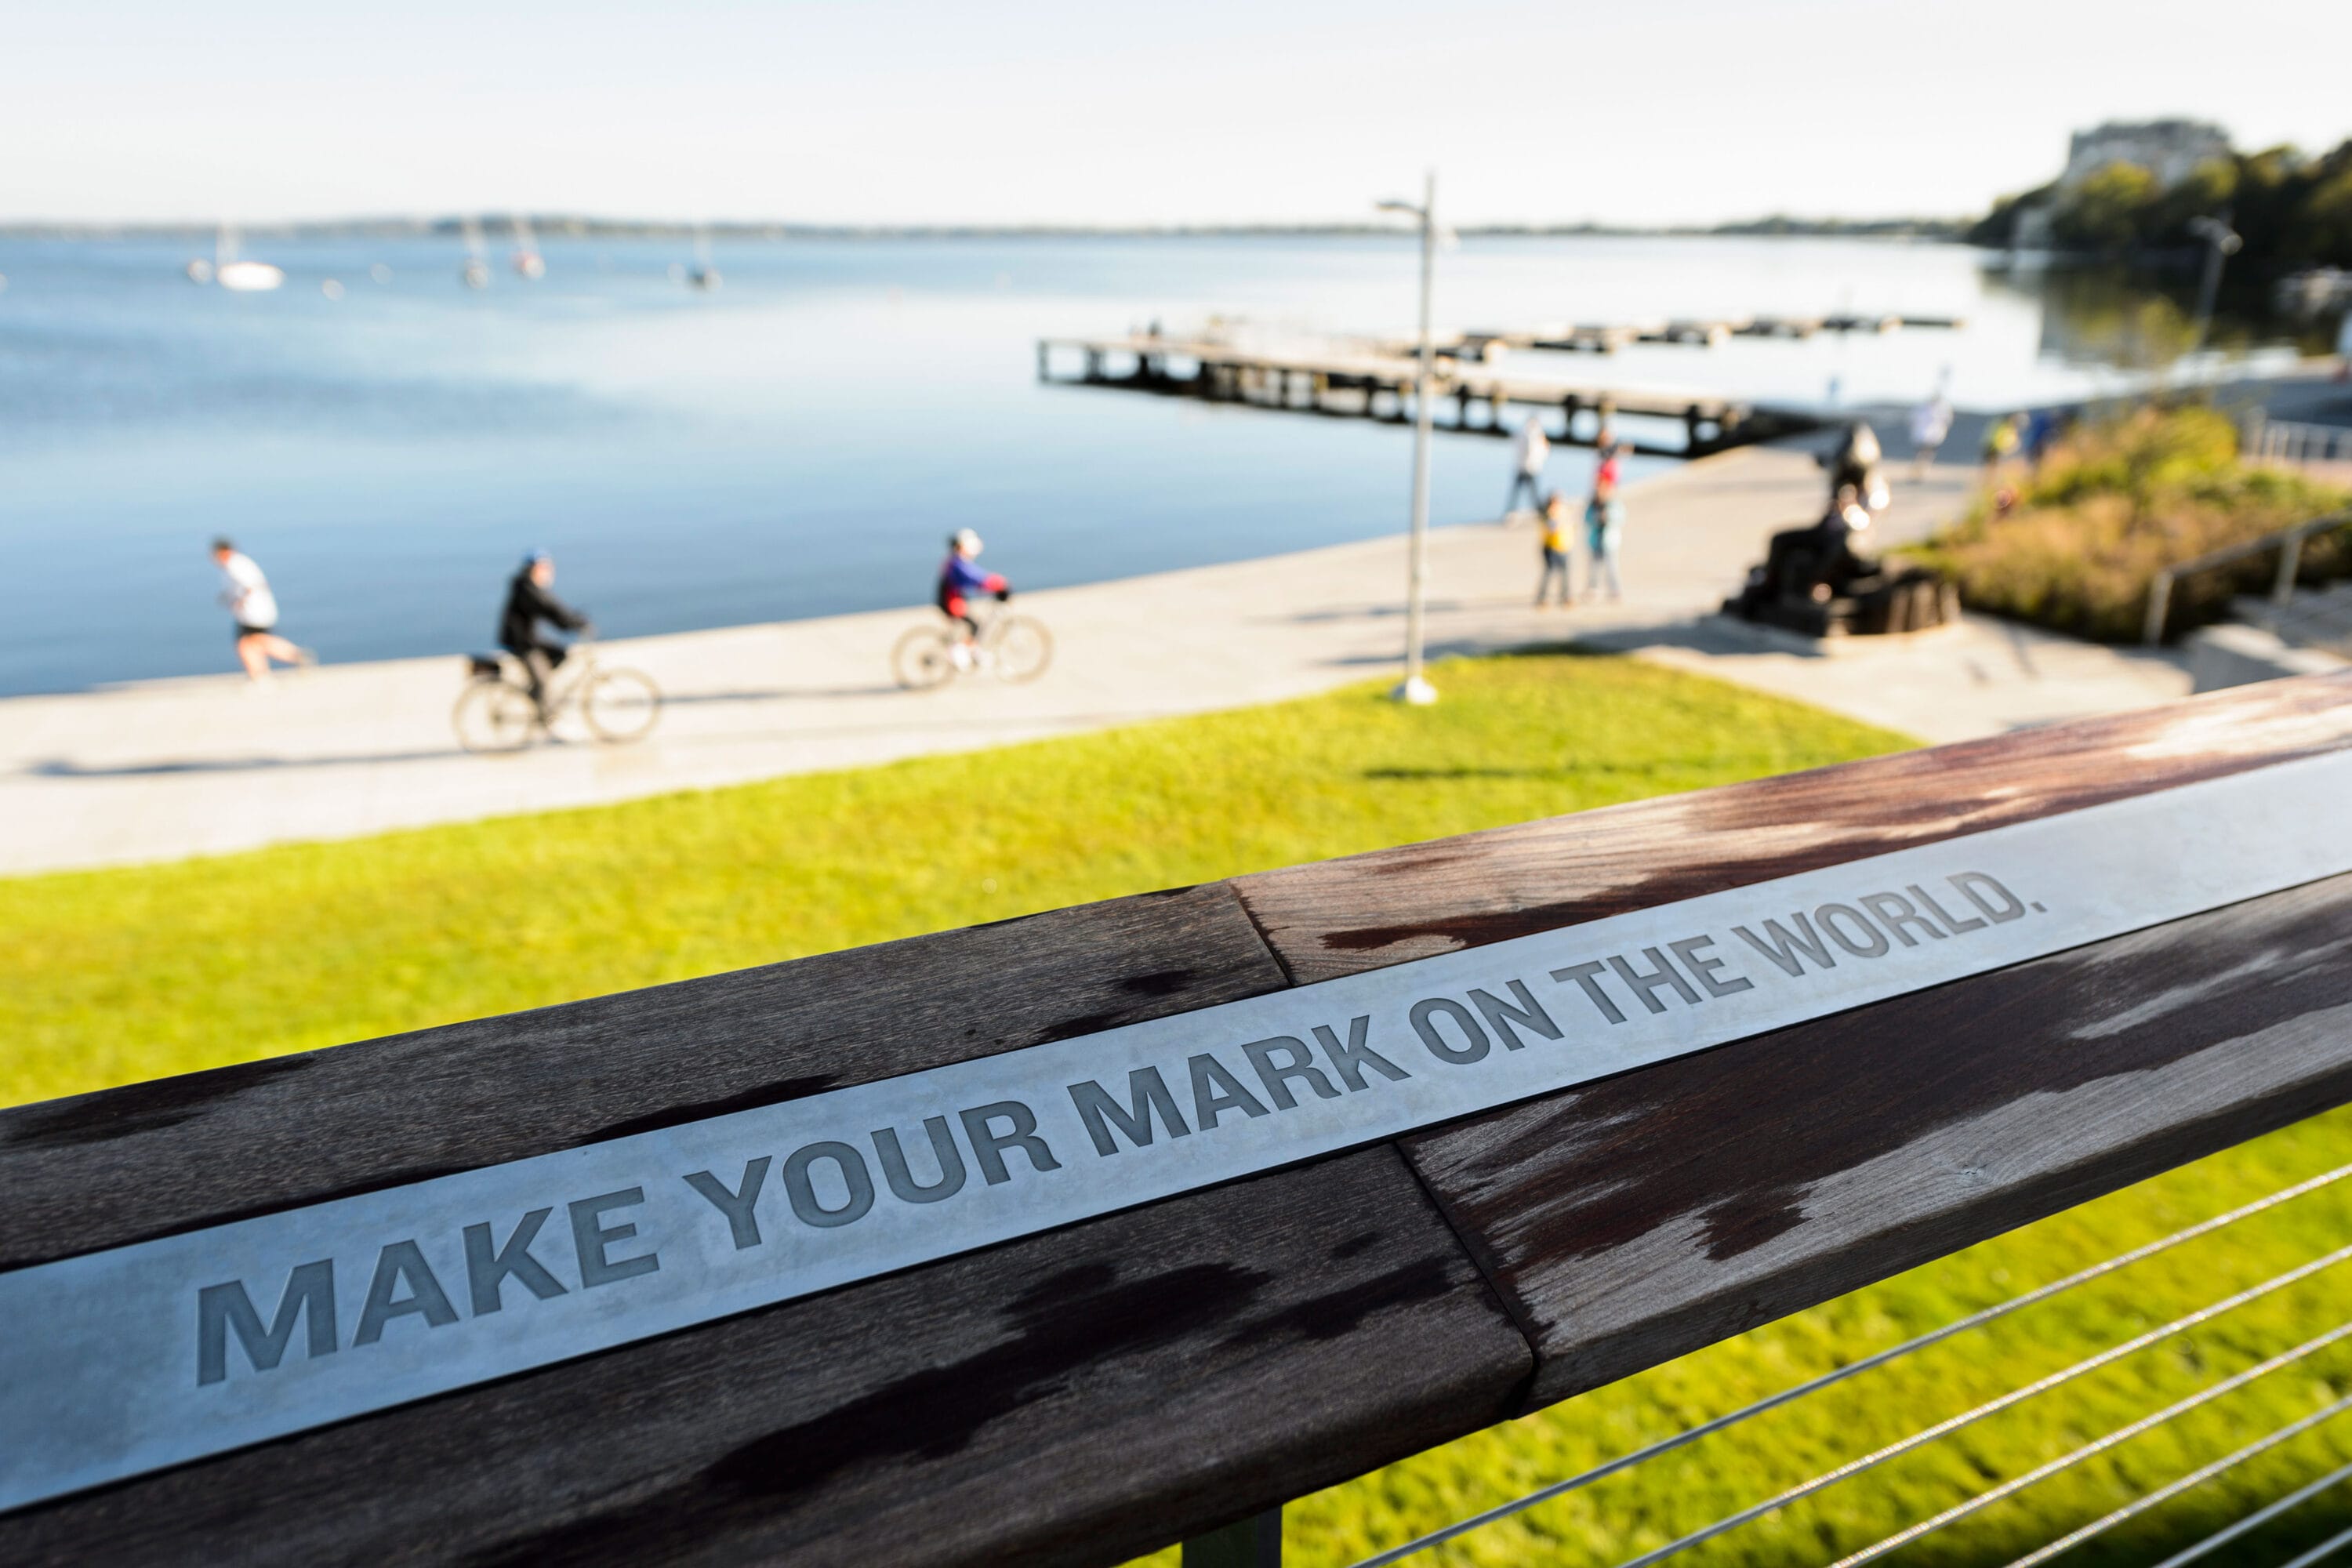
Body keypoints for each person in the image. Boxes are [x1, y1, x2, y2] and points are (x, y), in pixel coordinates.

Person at [499, 549, 590, 713]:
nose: (548, 572)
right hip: (521, 642)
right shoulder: (528, 590)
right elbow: (550, 609)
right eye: (544, 568)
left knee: (560, 654)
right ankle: (546, 717)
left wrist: (572, 620)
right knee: (543, 681)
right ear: (533, 569)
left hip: (529, 638)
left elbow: (553, 608)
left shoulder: (529, 587)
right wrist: (573, 622)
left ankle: (535, 693)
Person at [209, 538, 313, 681]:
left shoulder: (236, 565)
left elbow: (252, 586)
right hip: (255, 612)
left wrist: (240, 601)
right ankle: (290, 658)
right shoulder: (233, 565)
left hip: (254, 612)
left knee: (247, 644)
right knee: (256, 642)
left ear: (225, 551)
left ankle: (263, 674)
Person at [937, 528, 1009, 666]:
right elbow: (977, 579)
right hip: (951, 603)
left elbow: (976, 578)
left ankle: (971, 651)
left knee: (973, 624)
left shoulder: (956, 561)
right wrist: (998, 584)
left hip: (955, 600)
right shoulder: (957, 564)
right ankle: (960, 651)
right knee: (975, 625)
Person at [1584, 474, 1625, 603]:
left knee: (1612, 567)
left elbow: (1621, 518)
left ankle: (1615, 590)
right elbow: (1587, 519)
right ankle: (1593, 589)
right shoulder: (1593, 504)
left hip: (1610, 540)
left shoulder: (1613, 504)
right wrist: (1597, 518)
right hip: (1596, 540)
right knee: (1594, 567)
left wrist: (1608, 517)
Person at [1503, 415, 1550, 519]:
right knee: (1531, 493)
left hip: (1525, 467)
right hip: (1529, 468)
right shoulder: (1535, 435)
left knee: (1525, 493)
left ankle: (1511, 513)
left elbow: (1515, 441)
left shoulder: (1524, 433)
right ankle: (1540, 513)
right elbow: (1541, 451)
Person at [1534, 492, 1572, 608]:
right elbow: (1551, 528)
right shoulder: (1546, 514)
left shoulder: (1564, 511)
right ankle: (1542, 598)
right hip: (1550, 548)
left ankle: (1566, 597)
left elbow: (1569, 525)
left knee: (1565, 574)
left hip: (1565, 546)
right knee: (1549, 573)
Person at [1909, 390, 1954, 478]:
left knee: (1925, 454)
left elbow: (1912, 420)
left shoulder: (1926, 409)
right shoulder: (1938, 410)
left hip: (1929, 436)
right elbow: (1947, 421)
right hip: (1928, 436)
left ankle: (1920, 470)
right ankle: (1920, 470)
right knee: (1925, 454)